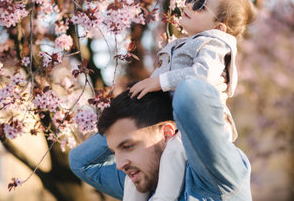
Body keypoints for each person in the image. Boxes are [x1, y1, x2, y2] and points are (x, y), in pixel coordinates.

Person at [126, 0, 256, 200]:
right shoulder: (179, 45)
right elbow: (156, 83)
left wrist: (159, 81)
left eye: (201, 5)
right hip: (174, 122)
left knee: (174, 152)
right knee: (142, 157)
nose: (189, 5)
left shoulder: (215, 44)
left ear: (219, 27)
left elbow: (201, 75)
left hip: (202, 123)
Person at [68, 79, 252, 200]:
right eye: (115, 151)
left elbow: (190, 94)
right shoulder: (146, 182)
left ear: (167, 134)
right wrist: (123, 122)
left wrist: (162, 81)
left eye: (128, 146)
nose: (119, 164)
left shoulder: (214, 177)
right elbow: (80, 162)